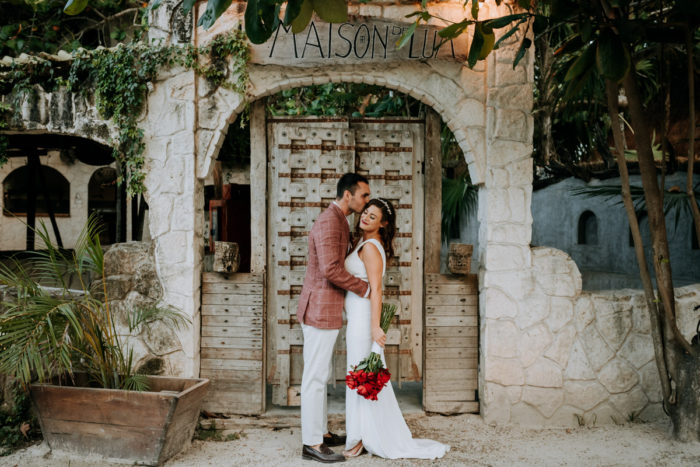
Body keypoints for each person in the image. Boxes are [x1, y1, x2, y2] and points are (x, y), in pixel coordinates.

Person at [342, 198, 450, 460]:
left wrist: (375, 327)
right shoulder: (364, 243)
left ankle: (358, 438)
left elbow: (377, 290)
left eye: (373, 216)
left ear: (383, 223)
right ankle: (362, 432)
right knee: (362, 375)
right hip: (357, 317)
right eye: (366, 212)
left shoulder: (370, 248)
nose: (366, 217)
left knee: (360, 377)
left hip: (363, 319)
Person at [297, 173, 371, 463]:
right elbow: (330, 269)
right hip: (319, 309)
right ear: (347, 195)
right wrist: (363, 287)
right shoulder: (330, 220)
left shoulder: (339, 218)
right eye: (363, 195)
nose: (366, 202)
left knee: (321, 374)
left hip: (324, 308)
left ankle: (322, 432)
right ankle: (312, 444)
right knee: (315, 377)